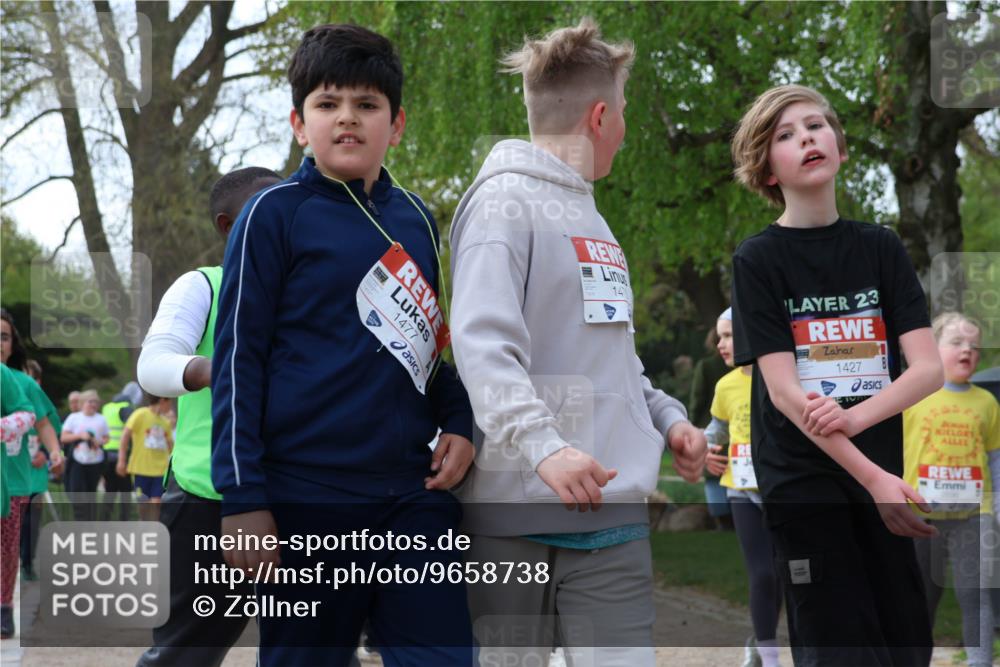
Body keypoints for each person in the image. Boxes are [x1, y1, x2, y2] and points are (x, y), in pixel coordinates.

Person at [211, 24, 475, 666]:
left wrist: (461, 421)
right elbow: (237, 362)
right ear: (301, 123)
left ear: (398, 122)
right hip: (305, 501)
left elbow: (427, 346)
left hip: (412, 499)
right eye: (328, 105)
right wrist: (244, 500)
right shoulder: (271, 214)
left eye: (367, 105)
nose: (347, 119)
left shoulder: (416, 217)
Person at [448, 18, 705, 666]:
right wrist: (546, 449)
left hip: (613, 516)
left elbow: (613, 358)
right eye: (622, 111)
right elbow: (481, 349)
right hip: (515, 521)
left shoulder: (594, 219)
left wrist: (667, 418)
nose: (624, 126)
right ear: (598, 116)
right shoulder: (502, 205)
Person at [729, 84, 943, 665]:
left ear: (840, 148)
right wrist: (869, 478)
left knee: (906, 641)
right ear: (767, 169)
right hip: (804, 481)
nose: (806, 138)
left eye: (815, 126)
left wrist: (862, 433)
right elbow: (782, 392)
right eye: (785, 135)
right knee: (838, 643)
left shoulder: (881, 247)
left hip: (879, 470)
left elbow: (928, 369)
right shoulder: (757, 260)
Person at [134, 166, 280, 667]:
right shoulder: (203, 285)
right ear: (226, 226)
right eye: (260, 211)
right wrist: (219, 368)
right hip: (208, 500)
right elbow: (153, 366)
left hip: (305, 498)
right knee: (185, 655)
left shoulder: (314, 290)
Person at [904, 312, 999, 667]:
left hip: (974, 516)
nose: (968, 350)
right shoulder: (912, 395)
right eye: (957, 342)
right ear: (932, 347)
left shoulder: (987, 403)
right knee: (919, 599)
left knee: (977, 597)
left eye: (974, 345)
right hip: (920, 516)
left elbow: (996, 461)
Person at [705, 308, 782, 667]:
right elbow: (716, 432)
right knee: (763, 573)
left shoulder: (782, 378)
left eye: (729, 336)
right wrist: (705, 451)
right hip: (741, 491)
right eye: (720, 337)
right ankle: (768, 656)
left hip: (784, 492)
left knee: (788, 573)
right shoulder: (725, 385)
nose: (721, 344)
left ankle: (761, 638)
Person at [1, 310, 62, 639]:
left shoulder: (21, 382)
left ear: (13, 344)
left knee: (7, 547)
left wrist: (52, 452)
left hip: (13, 480)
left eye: (4, 336)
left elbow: (42, 423)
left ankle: (3, 607)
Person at [19, 360, 62, 582]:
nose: (30, 383)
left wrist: (46, 454)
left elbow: (54, 432)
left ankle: (27, 563)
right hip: (13, 475)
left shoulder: (43, 407)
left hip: (36, 478)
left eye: (34, 378)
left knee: (30, 523)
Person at [692, 327, 735, 529]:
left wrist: (692, 426)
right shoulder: (744, 365)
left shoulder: (706, 366)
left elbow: (697, 400)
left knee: (713, 471)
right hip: (735, 425)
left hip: (710, 424)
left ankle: (721, 518)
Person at [116, 394, 173, 521]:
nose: (171, 406)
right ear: (163, 400)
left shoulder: (165, 422)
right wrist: (121, 460)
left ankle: (154, 528)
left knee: (156, 501)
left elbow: (171, 446)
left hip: (160, 470)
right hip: (141, 468)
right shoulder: (140, 414)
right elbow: (125, 437)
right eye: (170, 402)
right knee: (143, 502)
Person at [60, 389, 110, 520]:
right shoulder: (74, 418)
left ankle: (90, 522)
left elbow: (106, 437)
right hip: (77, 460)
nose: (93, 404)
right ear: (82, 403)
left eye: (95, 402)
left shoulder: (101, 419)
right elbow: (63, 437)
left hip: (95, 461)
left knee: (91, 493)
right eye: (90, 401)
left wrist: (100, 441)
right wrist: (80, 436)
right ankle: (79, 520)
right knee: (77, 491)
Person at [101, 382, 141, 521]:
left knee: (110, 491)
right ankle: (124, 521)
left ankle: (105, 520)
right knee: (125, 491)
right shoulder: (126, 408)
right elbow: (133, 430)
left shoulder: (107, 407)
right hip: (121, 457)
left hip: (106, 455)